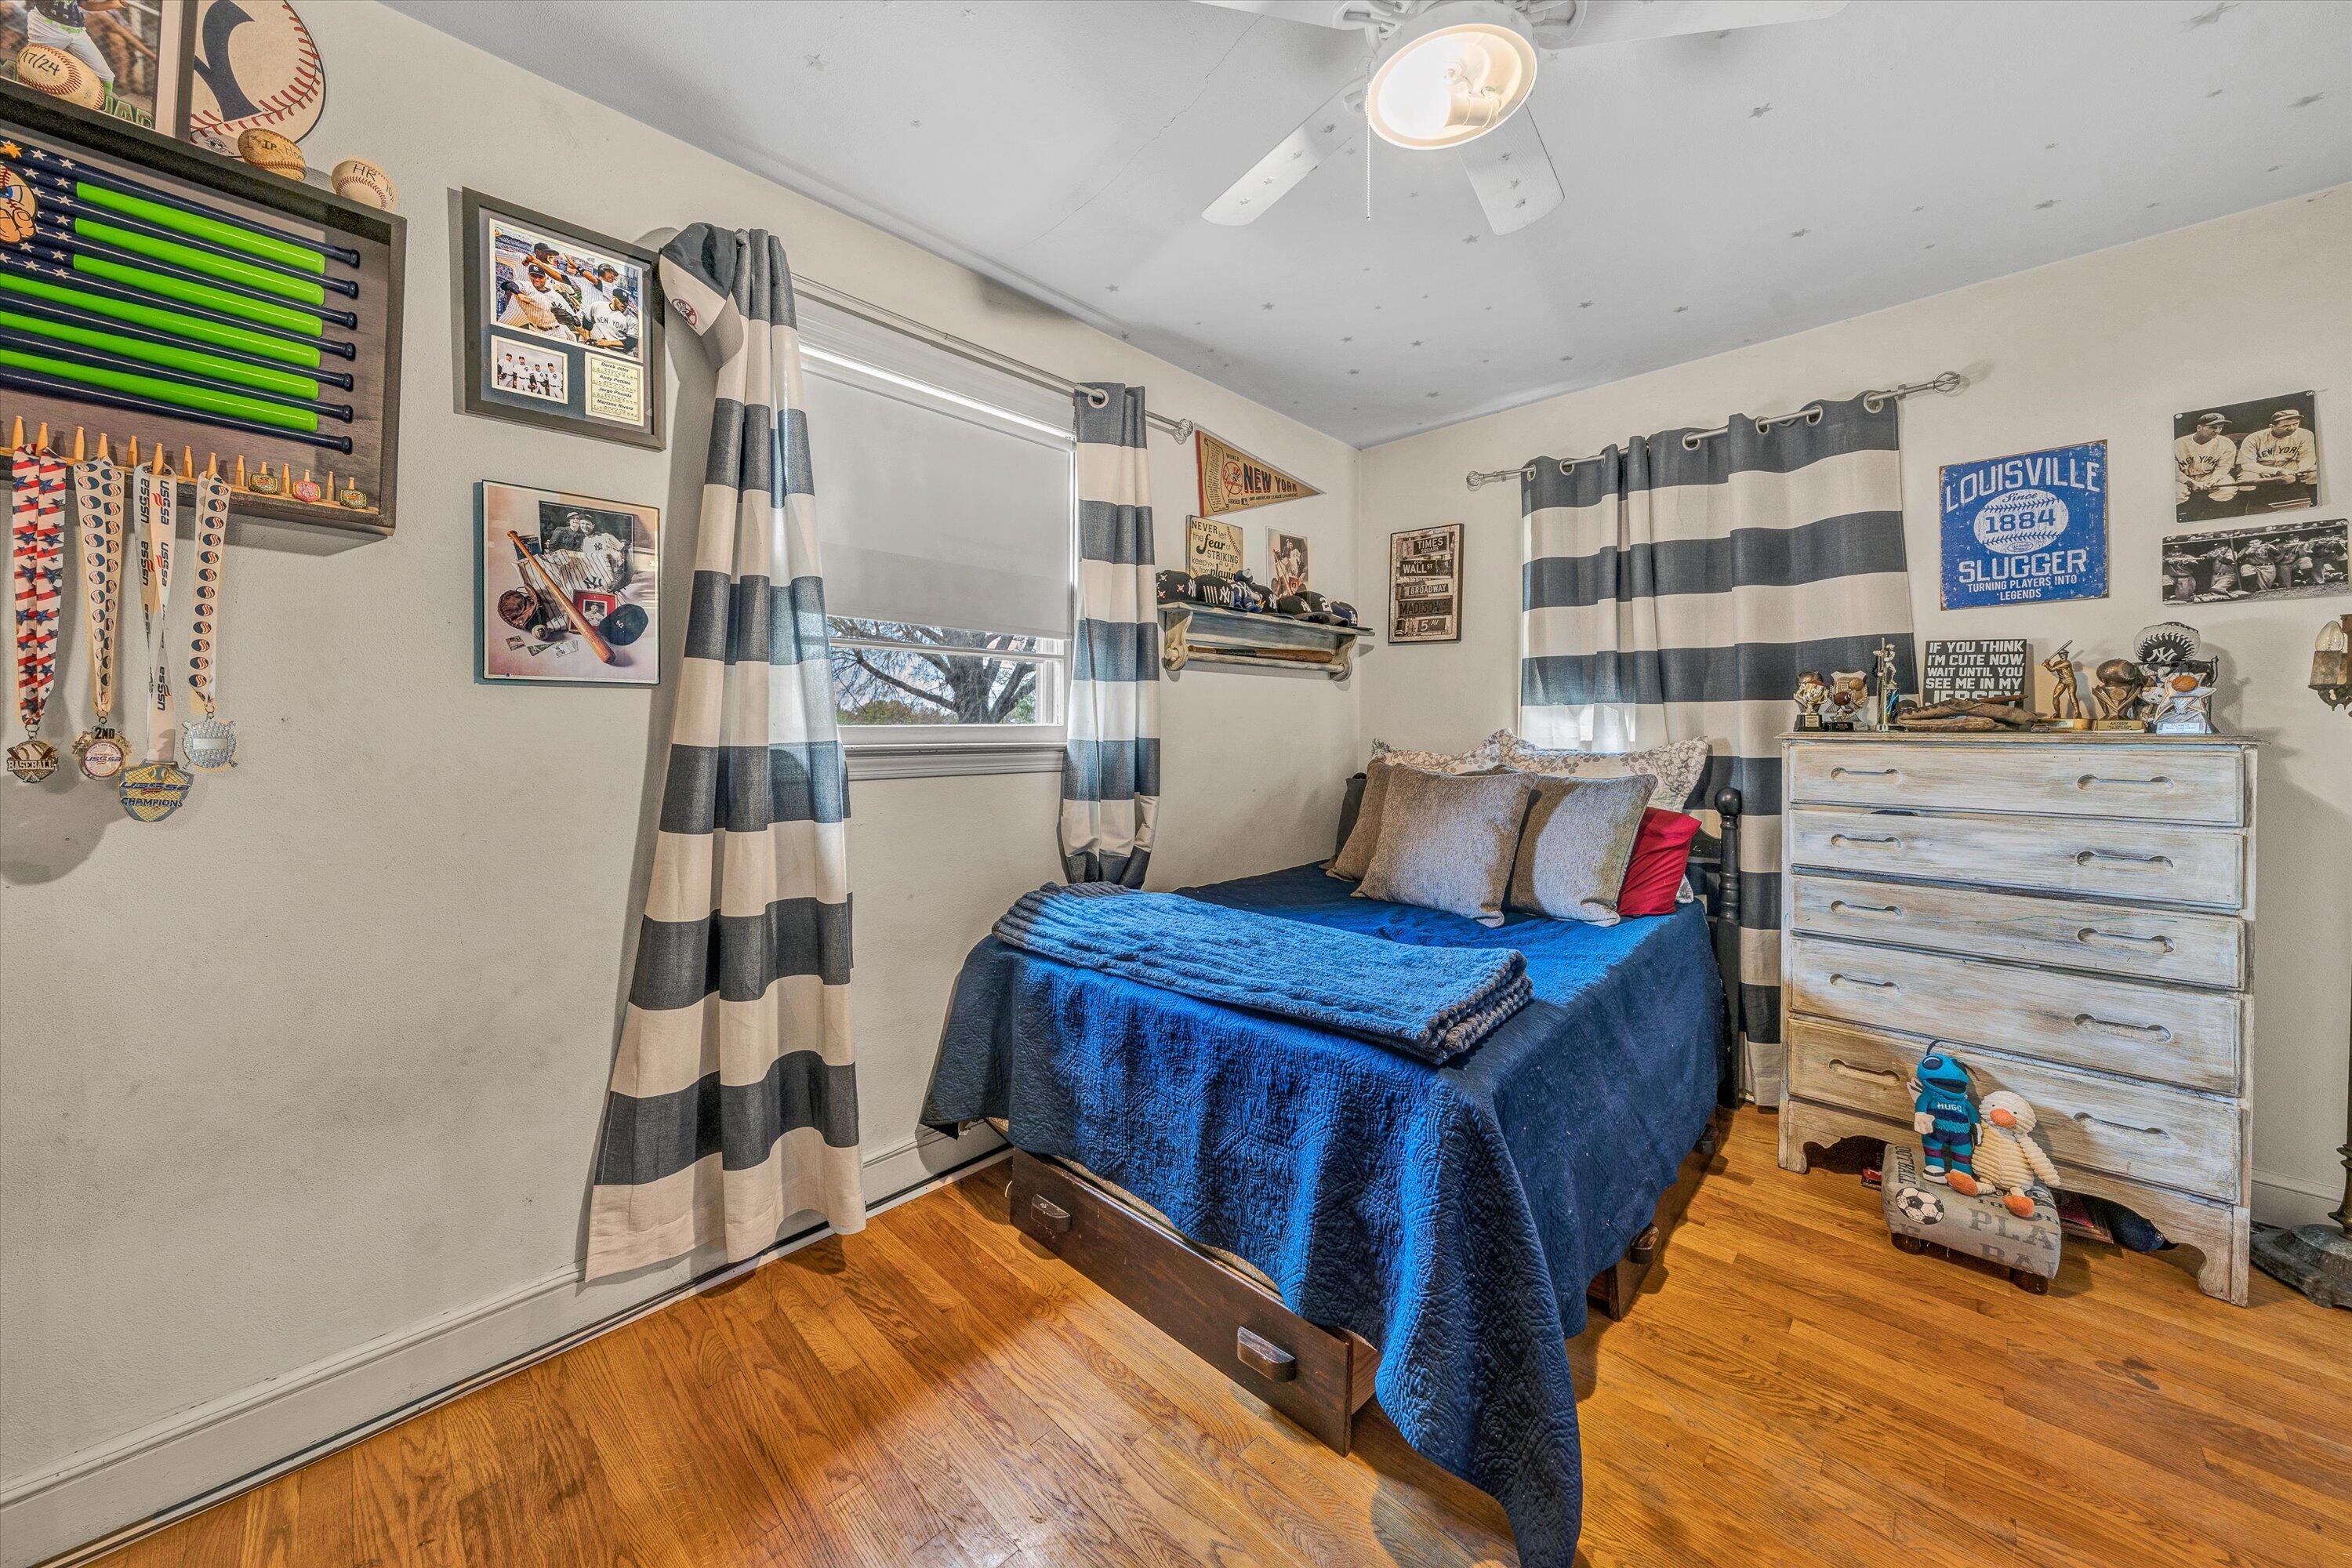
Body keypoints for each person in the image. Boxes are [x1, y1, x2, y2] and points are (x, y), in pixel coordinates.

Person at [24, 0, 120, 93]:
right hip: (47, 26)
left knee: (106, 78)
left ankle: (99, 107)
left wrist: (112, 3)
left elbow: (85, 4)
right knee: (32, 68)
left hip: (76, 31)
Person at [2234, 407, 2319, 511]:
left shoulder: (2305, 434)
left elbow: (2307, 457)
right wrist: (2274, 471)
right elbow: (2247, 464)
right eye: (2286, 425)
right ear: (2272, 426)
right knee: (2247, 478)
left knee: (2314, 473)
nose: (2292, 428)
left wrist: (2302, 470)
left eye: (2296, 424)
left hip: (2289, 464)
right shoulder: (2254, 438)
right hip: (2259, 467)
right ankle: (2243, 511)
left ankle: (2316, 504)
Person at [2173, 413, 2238, 521]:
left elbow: (2223, 467)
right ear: (2199, 428)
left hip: (2210, 475)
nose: (2217, 431)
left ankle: (2216, 517)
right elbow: (2173, 471)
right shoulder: (2178, 444)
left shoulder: (2226, 443)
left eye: (2220, 428)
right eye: (2213, 427)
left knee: (2227, 489)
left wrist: (2214, 480)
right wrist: (2190, 482)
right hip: (2183, 477)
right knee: (2176, 493)